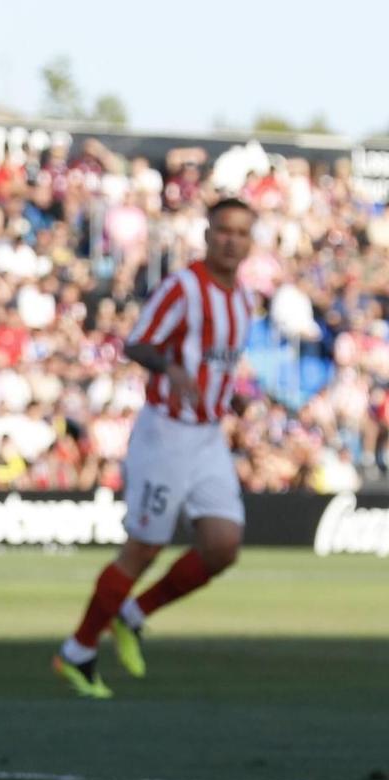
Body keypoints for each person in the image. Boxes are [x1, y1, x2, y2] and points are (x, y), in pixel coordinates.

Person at [53, 199, 254, 698]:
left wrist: (233, 399)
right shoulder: (185, 286)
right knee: (144, 547)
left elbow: (217, 364)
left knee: (223, 545)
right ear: (208, 234)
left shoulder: (244, 299)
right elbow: (138, 343)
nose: (231, 240)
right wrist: (171, 369)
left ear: (250, 242)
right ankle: (76, 652)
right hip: (166, 432)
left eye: (241, 233)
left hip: (207, 435)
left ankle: (133, 613)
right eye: (223, 231)